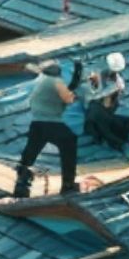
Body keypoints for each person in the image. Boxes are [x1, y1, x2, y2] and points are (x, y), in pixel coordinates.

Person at [14, 58, 82, 198]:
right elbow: (68, 99)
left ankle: (21, 182)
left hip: (36, 123)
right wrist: (74, 93)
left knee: (30, 152)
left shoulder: (40, 81)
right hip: (53, 124)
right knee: (70, 143)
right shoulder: (56, 81)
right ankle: (68, 185)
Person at [84, 52, 129, 152]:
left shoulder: (115, 78)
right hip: (96, 106)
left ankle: (113, 141)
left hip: (104, 106)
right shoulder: (95, 74)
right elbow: (93, 92)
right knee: (102, 125)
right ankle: (111, 141)